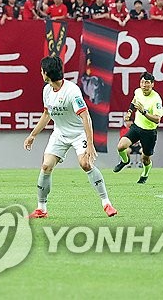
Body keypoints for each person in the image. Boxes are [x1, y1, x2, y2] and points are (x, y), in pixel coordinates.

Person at [24, 55, 116, 218]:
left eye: (41, 71)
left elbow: (85, 116)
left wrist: (90, 143)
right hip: (59, 133)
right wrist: (33, 135)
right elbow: (46, 115)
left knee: (85, 164)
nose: (41, 73)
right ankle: (41, 209)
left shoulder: (72, 91)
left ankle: (106, 203)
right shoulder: (47, 90)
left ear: (46, 73)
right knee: (46, 166)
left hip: (78, 133)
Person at [112, 72, 163, 184]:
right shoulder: (138, 92)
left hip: (149, 132)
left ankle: (144, 174)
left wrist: (144, 112)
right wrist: (129, 112)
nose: (144, 85)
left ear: (152, 84)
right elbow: (134, 102)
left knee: (145, 159)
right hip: (137, 127)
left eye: (147, 83)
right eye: (142, 82)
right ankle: (125, 161)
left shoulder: (156, 99)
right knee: (121, 146)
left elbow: (157, 119)